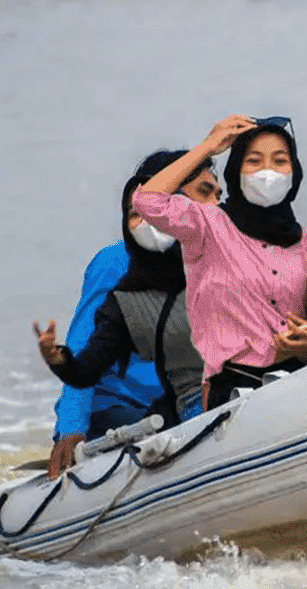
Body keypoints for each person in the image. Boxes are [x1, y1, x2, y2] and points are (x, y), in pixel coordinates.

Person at [132, 115, 307, 409]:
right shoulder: (208, 225)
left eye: (279, 161)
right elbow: (147, 201)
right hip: (235, 386)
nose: (267, 172)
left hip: (300, 381)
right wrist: (208, 147)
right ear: (236, 169)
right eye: (254, 161)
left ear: (295, 172)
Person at [33, 152, 219, 472]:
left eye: (219, 195)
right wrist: (72, 431)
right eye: (204, 193)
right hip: (116, 411)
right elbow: (82, 350)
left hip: (177, 403)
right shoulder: (116, 262)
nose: (216, 204)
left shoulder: (212, 261)